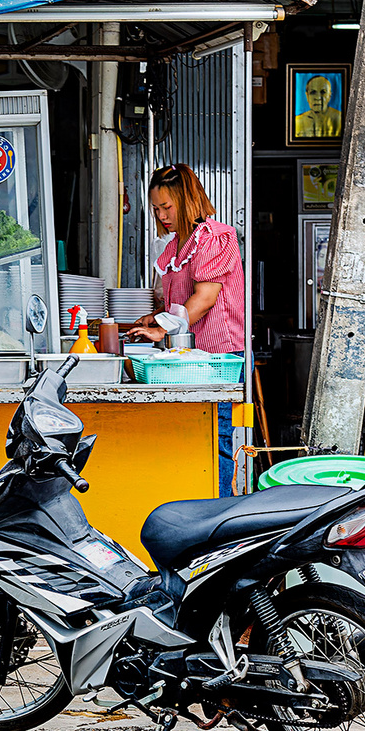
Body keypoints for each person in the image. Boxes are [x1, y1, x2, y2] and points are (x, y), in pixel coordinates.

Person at [126, 164, 247, 494]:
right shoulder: (174, 247)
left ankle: (218, 516)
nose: (162, 215)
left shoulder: (215, 238)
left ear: (188, 200)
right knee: (190, 438)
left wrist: (164, 331)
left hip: (220, 356)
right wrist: (154, 317)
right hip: (191, 358)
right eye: (156, 208)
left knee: (214, 438)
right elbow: (179, 303)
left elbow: (205, 298)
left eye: (167, 206)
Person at [294, 73, 343, 139]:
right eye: (313, 92)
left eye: (323, 92)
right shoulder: (297, 122)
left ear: (330, 96)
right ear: (307, 96)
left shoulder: (341, 119)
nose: (318, 97)